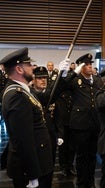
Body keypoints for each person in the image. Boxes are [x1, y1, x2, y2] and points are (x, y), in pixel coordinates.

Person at [0, 47, 68, 188]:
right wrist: (32, 174)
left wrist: (63, 74)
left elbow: (48, 97)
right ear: (19, 69)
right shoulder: (16, 96)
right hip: (28, 168)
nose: (32, 67)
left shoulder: (24, 89)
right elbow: (23, 140)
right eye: (29, 64)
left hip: (39, 159)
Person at [67, 53, 104, 188]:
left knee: (92, 155)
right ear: (81, 67)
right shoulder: (75, 80)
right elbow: (63, 84)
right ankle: (82, 182)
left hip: (95, 123)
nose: (89, 67)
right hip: (80, 124)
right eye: (86, 65)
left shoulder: (97, 80)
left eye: (90, 65)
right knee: (82, 156)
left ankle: (91, 180)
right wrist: (72, 72)